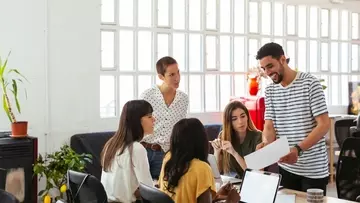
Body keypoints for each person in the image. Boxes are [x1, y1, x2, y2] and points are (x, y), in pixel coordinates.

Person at [255, 42, 330, 194]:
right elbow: (269, 126)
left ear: (282, 59)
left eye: (270, 66)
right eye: (263, 68)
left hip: (313, 170)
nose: (267, 72)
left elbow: (324, 125)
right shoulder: (270, 91)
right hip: (286, 168)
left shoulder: (310, 83)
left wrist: (297, 149)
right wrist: (265, 144)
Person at [158, 118, 240, 203]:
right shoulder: (201, 168)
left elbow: (186, 196)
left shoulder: (168, 158)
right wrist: (231, 201)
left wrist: (217, 195)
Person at [140, 56, 189, 179]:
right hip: (144, 151)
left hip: (166, 155)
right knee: (142, 191)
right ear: (161, 77)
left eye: (178, 72)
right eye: (171, 75)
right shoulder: (147, 96)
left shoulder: (183, 99)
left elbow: (180, 130)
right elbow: (137, 123)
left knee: (160, 193)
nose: (177, 78)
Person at [100, 100, 155, 203]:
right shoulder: (137, 149)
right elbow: (149, 191)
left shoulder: (111, 144)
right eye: (149, 116)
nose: (154, 119)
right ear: (137, 121)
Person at [210, 101, 262, 178]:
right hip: (232, 183)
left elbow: (256, 174)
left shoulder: (258, 137)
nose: (240, 122)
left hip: (252, 182)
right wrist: (217, 151)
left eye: (243, 116)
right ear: (229, 122)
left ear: (247, 117)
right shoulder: (223, 135)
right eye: (234, 119)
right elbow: (217, 172)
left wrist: (234, 153)